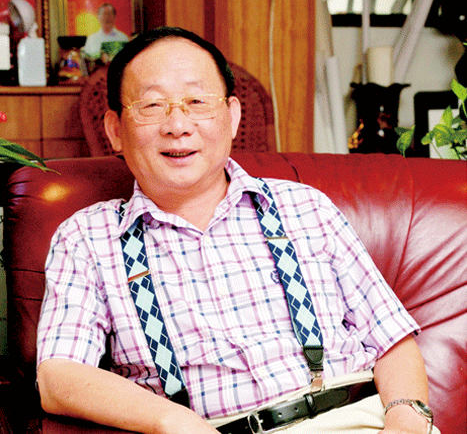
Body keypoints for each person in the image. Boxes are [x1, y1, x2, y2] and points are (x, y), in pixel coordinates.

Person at [36, 26, 437, 434]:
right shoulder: (87, 238)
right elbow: (58, 377)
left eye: (197, 102)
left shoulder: (305, 207)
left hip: (353, 421)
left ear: (231, 117)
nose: (178, 125)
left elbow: (391, 339)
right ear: (115, 130)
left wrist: (406, 421)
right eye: (152, 105)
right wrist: (171, 420)